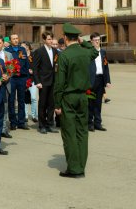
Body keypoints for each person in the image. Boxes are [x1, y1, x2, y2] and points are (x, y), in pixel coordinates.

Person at [54, 23, 98, 178]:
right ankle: (81, 165)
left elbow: (60, 82)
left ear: (65, 38)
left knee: (69, 132)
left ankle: (74, 168)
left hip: (69, 98)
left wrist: (57, 103)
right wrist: (83, 41)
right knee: (82, 132)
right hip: (83, 97)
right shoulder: (85, 53)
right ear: (77, 38)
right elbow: (95, 51)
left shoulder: (64, 55)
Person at [33, 31, 58, 134]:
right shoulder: (39, 51)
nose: (50, 40)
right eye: (48, 39)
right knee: (42, 104)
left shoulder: (55, 51)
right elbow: (35, 68)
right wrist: (37, 81)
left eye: (51, 38)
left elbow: (56, 66)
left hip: (53, 81)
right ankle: (42, 125)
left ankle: (50, 124)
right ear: (44, 40)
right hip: (43, 81)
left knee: (51, 104)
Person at [5, 34, 30, 130]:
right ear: (10, 40)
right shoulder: (7, 51)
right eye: (13, 39)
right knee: (11, 100)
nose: (16, 40)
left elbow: (27, 63)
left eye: (17, 38)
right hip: (12, 78)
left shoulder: (22, 49)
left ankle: (21, 122)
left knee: (21, 100)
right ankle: (13, 122)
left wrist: (28, 78)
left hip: (22, 78)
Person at [88, 32, 111, 131]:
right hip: (91, 80)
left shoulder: (103, 52)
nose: (97, 42)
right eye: (95, 40)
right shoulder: (88, 52)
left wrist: (108, 81)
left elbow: (106, 67)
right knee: (90, 102)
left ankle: (98, 123)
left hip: (100, 80)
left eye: (98, 40)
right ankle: (90, 123)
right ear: (91, 41)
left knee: (98, 103)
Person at [0, 34, 13, 138]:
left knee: (5, 108)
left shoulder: (8, 55)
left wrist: (8, 76)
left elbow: (11, 69)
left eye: (0, 43)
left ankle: (4, 129)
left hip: (6, 85)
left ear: (3, 44)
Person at [21, 41, 38, 123]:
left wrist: (33, 70)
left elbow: (38, 65)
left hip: (32, 79)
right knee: (25, 98)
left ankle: (34, 115)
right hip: (24, 79)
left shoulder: (33, 54)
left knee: (34, 98)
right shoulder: (21, 55)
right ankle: (26, 115)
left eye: (24, 46)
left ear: (27, 47)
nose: (22, 48)